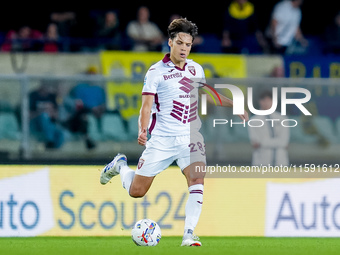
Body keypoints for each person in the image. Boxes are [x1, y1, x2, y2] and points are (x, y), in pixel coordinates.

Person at [100, 18, 248, 246]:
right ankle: (120, 166)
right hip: (161, 140)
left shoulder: (195, 68)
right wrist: (142, 130)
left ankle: (189, 233)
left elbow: (208, 95)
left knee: (197, 179)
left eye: (188, 44)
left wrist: (235, 104)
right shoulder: (155, 72)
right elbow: (146, 106)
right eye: (180, 43)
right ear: (170, 42)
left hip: (190, 137)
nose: (184, 48)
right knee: (137, 192)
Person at [63, 66, 106, 149]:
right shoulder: (79, 88)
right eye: (89, 74)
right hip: (83, 111)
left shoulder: (99, 89)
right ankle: (87, 137)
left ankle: (87, 137)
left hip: (96, 112)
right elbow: (77, 103)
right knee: (83, 115)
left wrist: (99, 109)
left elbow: (103, 104)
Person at [248, 91, 289, 166]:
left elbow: (284, 141)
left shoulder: (282, 118)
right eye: (264, 100)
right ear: (260, 102)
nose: (266, 103)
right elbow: (256, 142)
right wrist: (278, 142)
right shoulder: (254, 120)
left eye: (269, 100)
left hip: (280, 162)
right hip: (261, 162)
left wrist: (263, 142)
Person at [29, 81, 64, 149]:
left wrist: (50, 111)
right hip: (35, 124)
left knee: (60, 134)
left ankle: (52, 151)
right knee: (44, 115)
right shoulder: (33, 95)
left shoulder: (52, 96)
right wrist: (40, 112)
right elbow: (28, 115)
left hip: (49, 124)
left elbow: (56, 116)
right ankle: (49, 140)